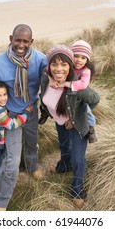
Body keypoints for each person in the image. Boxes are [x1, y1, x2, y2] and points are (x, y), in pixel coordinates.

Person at [0, 24, 47, 211]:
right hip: (10, 117)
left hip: (31, 110)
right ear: (10, 39)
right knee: (13, 160)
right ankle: (1, 203)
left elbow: (55, 74)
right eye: (18, 40)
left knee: (32, 143)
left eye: (26, 41)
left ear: (31, 42)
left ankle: (32, 168)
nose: (21, 44)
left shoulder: (40, 59)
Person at [39, 44, 100, 208]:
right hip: (59, 122)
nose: (58, 69)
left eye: (64, 64)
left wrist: (74, 120)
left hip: (78, 124)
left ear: (70, 65)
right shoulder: (46, 78)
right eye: (54, 64)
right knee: (64, 146)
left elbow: (94, 99)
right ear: (49, 66)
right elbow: (43, 96)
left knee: (78, 159)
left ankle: (77, 190)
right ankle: (64, 165)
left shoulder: (77, 86)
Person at [40, 40, 97, 143]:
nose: (79, 60)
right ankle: (44, 111)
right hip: (64, 101)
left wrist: (65, 84)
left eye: (83, 58)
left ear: (87, 60)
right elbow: (46, 70)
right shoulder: (67, 65)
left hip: (78, 92)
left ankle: (91, 128)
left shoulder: (85, 71)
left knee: (86, 111)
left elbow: (83, 85)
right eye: (76, 56)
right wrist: (51, 79)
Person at [0, 80, 33, 183]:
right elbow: (11, 125)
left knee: (3, 159)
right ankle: (0, 183)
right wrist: (25, 114)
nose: (3, 98)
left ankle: (4, 177)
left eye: (4, 94)